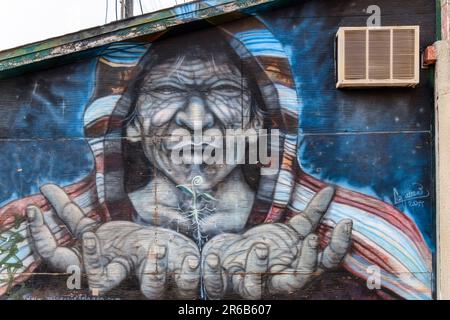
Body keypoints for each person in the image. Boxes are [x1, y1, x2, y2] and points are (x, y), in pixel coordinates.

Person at [0, 17, 432, 300]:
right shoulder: (42, 229)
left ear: (265, 121)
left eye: (225, 92)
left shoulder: (363, 230)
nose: (195, 119)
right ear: (127, 124)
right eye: (166, 92)